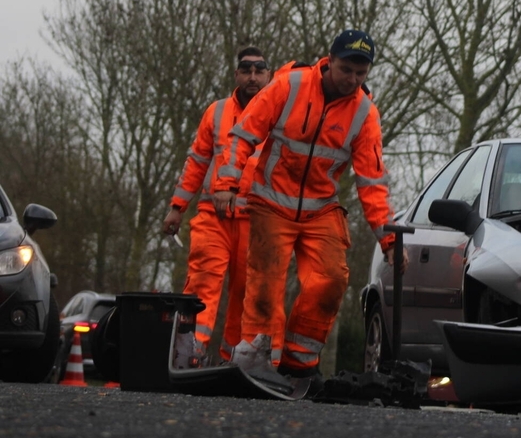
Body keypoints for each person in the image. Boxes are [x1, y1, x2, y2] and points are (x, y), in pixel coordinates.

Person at [211, 30, 406, 390]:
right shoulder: (290, 85)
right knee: (265, 284)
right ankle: (253, 358)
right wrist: (226, 184)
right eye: (346, 70)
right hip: (271, 201)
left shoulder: (365, 113)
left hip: (321, 209)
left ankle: (299, 364)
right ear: (329, 61)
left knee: (331, 279)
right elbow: (244, 135)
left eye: (361, 73)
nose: (352, 80)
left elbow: (372, 183)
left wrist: (389, 240)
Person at [162, 47, 274, 366]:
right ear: (236, 74)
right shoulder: (217, 111)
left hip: (256, 221)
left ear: (269, 75)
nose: (252, 76)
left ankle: (234, 360)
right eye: (246, 70)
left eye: (259, 70)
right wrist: (177, 207)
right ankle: (190, 353)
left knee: (247, 294)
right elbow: (197, 161)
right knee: (202, 283)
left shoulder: (279, 115)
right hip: (214, 216)